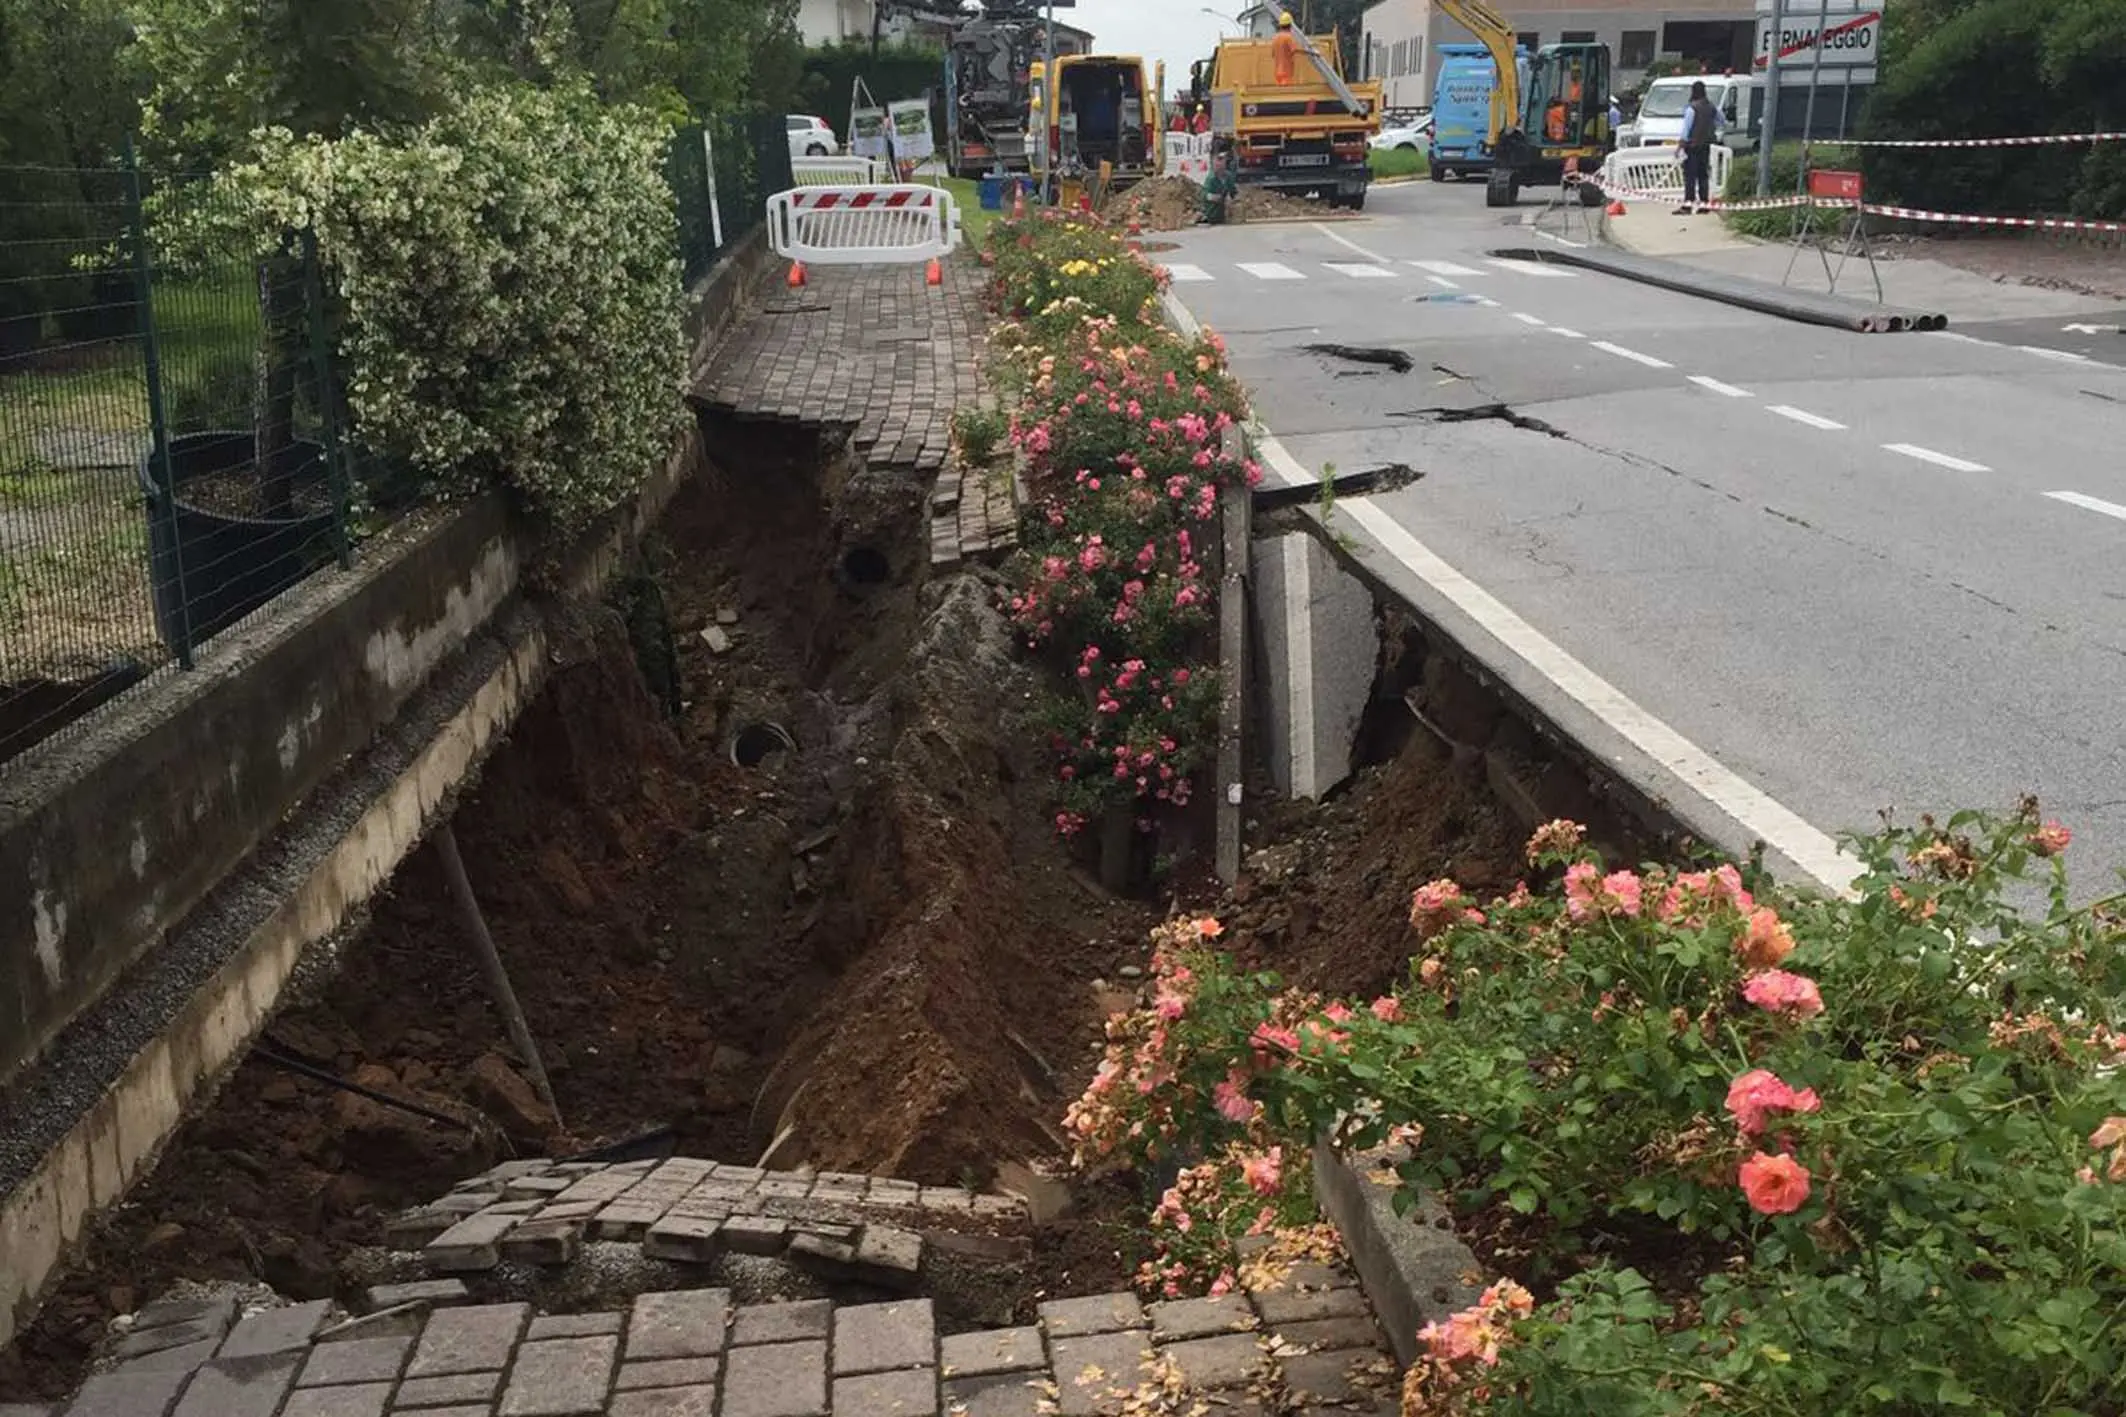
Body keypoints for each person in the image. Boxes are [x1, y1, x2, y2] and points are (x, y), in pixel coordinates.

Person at [1677, 78, 1721, 214]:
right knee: (1703, 175)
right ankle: (1704, 205)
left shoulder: (1692, 108)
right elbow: (1721, 120)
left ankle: (1687, 205)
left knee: (1690, 176)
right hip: (1706, 144)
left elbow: (1686, 129)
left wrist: (1680, 146)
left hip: (1692, 146)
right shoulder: (1711, 107)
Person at [1201, 145, 1237, 225]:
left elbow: (1233, 191)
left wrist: (1231, 198)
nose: (1219, 163)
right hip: (1212, 214)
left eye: (1222, 160)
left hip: (1224, 215)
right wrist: (1212, 197)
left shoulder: (1228, 177)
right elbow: (1203, 195)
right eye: (1218, 160)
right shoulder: (1211, 179)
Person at [1271, 11, 1300, 86]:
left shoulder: (1275, 38)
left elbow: (1273, 54)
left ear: (1280, 25)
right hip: (1286, 74)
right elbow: (1294, 50)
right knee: (1287, 93)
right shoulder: (1289, 37)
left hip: (1277, 74)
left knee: (1280, 94)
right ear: (1290, 25)